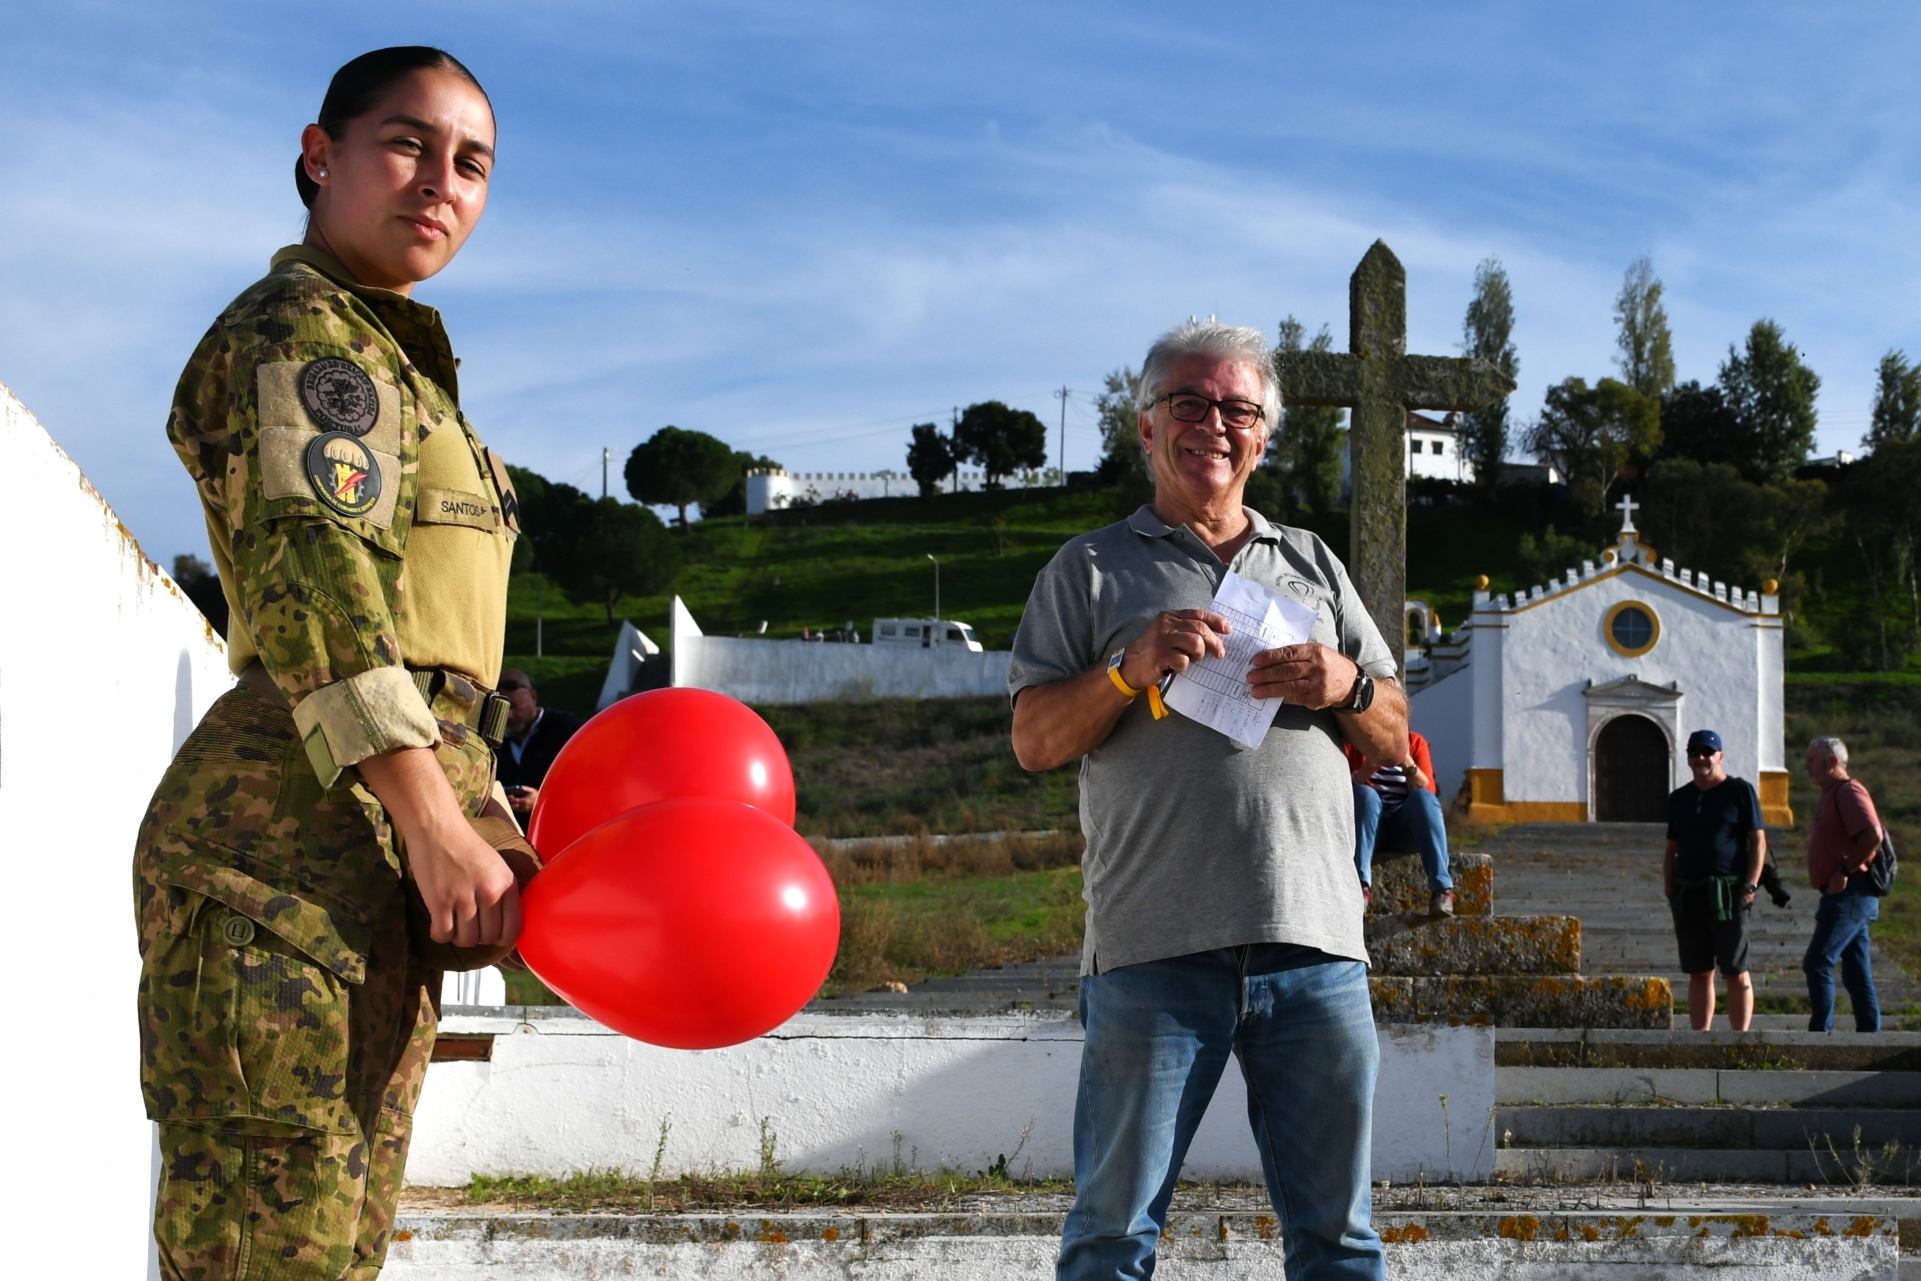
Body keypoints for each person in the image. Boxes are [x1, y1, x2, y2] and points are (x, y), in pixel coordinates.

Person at [135, 48, 528, 1279]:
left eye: (472, 163)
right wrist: (429, 815)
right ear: (321, 154)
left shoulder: (398, 366)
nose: (441, 183)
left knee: (328, 1254)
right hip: (283, 854)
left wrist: (474, 808)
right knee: (269, 1256)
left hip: (358, 850)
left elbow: (429, 650)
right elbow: (316, 583)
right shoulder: (306, 335)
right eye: (407, 143)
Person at [1010, 320, 1402, 1280]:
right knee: (1110, 1238)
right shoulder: (1089, 568)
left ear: (1263, 434)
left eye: (1236, 407)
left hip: (1313, 949)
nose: (1213, 424)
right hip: (1152, 951)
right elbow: (1033, 741)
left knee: (1340, 1242)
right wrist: (1126, 667)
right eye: (1188, 403)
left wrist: (1342, 683)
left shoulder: (1312, 562)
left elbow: (1393, 731)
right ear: (1146, 428)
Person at [1663, 729, 1766, 1032]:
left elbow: (1758, 841)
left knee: (1735, 970)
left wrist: (1750, 885)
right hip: (1689, 894)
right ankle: (1700, 1039)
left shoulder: (1739, 791)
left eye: (1707, 752)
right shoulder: (1679, 799)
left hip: (1730, 893)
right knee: (1699, 971)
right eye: (1694, 753)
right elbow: (1672, 848)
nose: (1701, 758)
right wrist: (1670, 888)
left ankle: (1739, 1040)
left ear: (1720, 756)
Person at [1803, 736, 1885, 1033]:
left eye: (1811, 760)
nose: (1806, 766)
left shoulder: (1849, 792)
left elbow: (1872, 835)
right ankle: (1869, 1036)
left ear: (1832, 762)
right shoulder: (1831, 793)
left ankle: (1820, 1037)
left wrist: (1843, 870)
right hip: (1843, 894)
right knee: (1856, 972)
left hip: (1850, 894)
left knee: (1817, 962)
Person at [1346, 728, 1455, 915]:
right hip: (1368, 831)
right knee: (1366, 794)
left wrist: (1408, 764)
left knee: (1423, 798)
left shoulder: (1415, 742)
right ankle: (1360, 888)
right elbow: (1338, 791)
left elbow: (1429, 794)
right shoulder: (1355, 742)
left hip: (1406, 829)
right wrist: (1361, 775)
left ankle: (1442, 890)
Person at [493, 669, 584, 830]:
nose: (509, 716)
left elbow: (587, 784)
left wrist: (541, 801)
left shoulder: (565, 729)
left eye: (514, 706)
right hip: (511, 834)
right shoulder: (495, 738)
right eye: (502, 710)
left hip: (559, 830)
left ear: (533, 696)